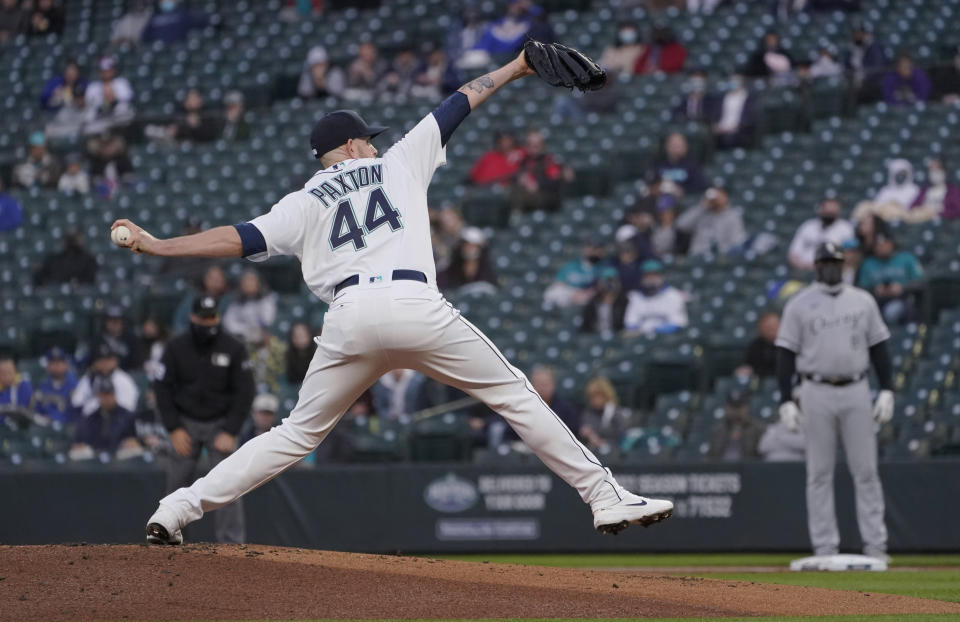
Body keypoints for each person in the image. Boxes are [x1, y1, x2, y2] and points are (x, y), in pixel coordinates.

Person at [114, 50, 673, 544]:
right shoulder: (397, 161)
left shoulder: (303, 200)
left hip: (349, 319)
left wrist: (160, 245)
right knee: (515, 395)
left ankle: (178, 507)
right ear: (356, 144)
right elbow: (461, 101)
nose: (374, 142)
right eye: (369, 137)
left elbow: (235, 239)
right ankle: (604, 497)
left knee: (292, 434)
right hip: (413, 305)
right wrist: (519, 66)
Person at [776, 241, 894, 561]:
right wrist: (786, 398)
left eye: (835, 261)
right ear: (816, 266)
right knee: (819, 473)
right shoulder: (799, 304)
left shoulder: (862, 300)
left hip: (857, 387)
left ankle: (876, 547)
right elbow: (785, 354)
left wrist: (887, 389)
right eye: (825, 261)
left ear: (844, 264)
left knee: (866, 470)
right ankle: (825, 547)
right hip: (816, 389)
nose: (830, 267)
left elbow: (879, 349)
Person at [153, 295, 254, 543]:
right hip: (185, 423)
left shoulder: (234, 347)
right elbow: (161, 387)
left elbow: (246, 391)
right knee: (177, 484)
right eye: (203, 317)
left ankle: (231, 545)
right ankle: (172, 538)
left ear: (218, 317)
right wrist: (174, 428)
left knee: (229, 485)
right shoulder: (176, 347)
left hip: (221, 423)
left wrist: (231, 430)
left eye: (212, 317)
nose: (208, 322)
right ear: (192, 317)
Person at [857, 233, 923, 325]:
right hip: (876, 302)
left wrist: (902, 288)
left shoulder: (906, 258)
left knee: (893, 311)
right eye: (879, 244)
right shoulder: (868, 263)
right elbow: (861, 288)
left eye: (885, 243)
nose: (882, 247)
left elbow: (921, 282)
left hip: (903, 300)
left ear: (892, 244)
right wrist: (875, 290)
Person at [70, 377, 140, 461]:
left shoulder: (127, 416)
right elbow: (80, 440)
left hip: (121, 459)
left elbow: (136, 439)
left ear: (114, 395)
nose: (107, 398)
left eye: (110, 394)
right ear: (98, 396)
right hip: (94, 458)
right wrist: (81, 445)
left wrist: (134, 442)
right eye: (104, 395)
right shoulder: (90, 417)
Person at [509, 129, 572, 212]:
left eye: (537, 145)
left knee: (516, 195)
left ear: (542, 145)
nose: (533, 148)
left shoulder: (549, 161)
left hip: (546, 198)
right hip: (527, 196)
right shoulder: (523, 160)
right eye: (530, 144)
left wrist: (536, 185)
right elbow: (512, 176)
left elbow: (554, 183)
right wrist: (521, 180)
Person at [71, 343, 139, 417]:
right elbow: (76, 402)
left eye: (108, 360)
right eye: (101, 360)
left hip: (118, 423)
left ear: (115, 361)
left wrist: (94, 404)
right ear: (95, 363)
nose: (105, 363)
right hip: (92, 422)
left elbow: (128, 408)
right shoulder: (88, 378)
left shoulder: (124, 380)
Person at [788, 197, 855, 270]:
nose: (829, 214)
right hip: (805, 270)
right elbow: (793, 254)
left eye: (832, 212)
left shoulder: (846, 228)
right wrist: (803, 266)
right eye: (827, 211)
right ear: (820, 209)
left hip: (832, 272)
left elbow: (850, 255)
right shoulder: (808, 226)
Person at [675, 186, 746, 256]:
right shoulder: (701, 213)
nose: (716, 199)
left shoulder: (733, 215)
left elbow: (738, 240)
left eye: (719, 195)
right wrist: (702, 207)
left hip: (721, 258)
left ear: (725, 197)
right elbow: (680, 225)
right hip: (698, 256)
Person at [623, 260, 688, 336]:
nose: (650, 278)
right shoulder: (635, 297)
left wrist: (651, 330)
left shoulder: (673, 295)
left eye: (654, 274)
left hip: (668, 339)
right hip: (642, 340)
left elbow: (677, 324)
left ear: (661, 276)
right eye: (647, 275)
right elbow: (630, 323)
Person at [543, 238, 607, 309]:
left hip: (591, 304)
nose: (593, 251)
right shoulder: (571, 266)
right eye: (591, 247)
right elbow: (556, 287)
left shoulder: (606, 268)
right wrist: (572, 294)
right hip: (569, 301)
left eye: (597, 248)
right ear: (585, 249)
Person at [578, 377, 634, 456]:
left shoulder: (616, 413)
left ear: (606, 395)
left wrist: (601, 442)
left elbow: (622, 437)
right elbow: (583, 434)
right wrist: (587, 434)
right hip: (592, 454)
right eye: (592, 397)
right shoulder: (588, 413)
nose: (595, 400)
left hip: (614, 454)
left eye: (598, 396)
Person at [851, 159, 920, 223]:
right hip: (883, 218)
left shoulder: (914, 189)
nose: (900, 176)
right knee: (864, 205)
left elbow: (911, 209)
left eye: (902, 173)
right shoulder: (886, 190)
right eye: (898, 173)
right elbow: (877, 206)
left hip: (902, 218)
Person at [222, 270, 277, 346]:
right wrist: (246, 329)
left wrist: (254, 328)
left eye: (251, 281)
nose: (248, 284)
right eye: (245, 282)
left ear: (258, 283)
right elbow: (228, 323)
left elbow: (267, 320)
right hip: (241, 339)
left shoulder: (266, 299)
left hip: (263, 339)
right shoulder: (237, 302)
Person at [706, 389, 763, 461]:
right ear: (727, 408)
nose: (736, 411)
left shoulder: (758, 429)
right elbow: (709, 458)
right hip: (722, 470)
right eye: (732, 407)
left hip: (749, 470)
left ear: (747, 407)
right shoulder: (718, 430)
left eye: (739, 407)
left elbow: (762, 457)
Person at [437, 226, 496, 292]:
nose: (469, 249)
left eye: (473, 246)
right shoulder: (449, 268)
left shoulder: (488, 269)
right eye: (466, 245)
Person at [173, 264, 231, 332]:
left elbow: (227, 325)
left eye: (218, 279)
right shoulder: (192, 296)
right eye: (212, 278)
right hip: (189, 336)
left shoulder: (229, 300)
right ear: (205, 279)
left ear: (224, 281)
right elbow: (179, 321)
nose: (215, 282)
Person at [33, 229, 98, 286]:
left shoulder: (88, 260)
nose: (73, 242)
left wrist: (79, 282)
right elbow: (39, 277)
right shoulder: (54, 259)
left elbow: (91, 280)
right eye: (70, 239)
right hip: (57, 294)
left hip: (80, 295)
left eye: (74, 239)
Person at [30, 347, 77, 424]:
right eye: (53, 363)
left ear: (66, 365)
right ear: (48, 366)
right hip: (45, 429)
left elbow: (74, 413)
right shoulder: (42, 386)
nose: (56, 366)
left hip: (67, 429)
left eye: (59, 362)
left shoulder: (75, 386)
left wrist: (53, 418)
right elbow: (35, 409)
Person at [711, 74, 757, 150]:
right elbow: (715, 115)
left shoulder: (748, 99)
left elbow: (748, 119)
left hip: (739, 130)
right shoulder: (723, 97)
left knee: (730, 138)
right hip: (721, 128)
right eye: (731, 81)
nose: (732, 83)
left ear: (741, 82)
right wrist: (716, 126)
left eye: (735, 81)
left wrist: (734, 127)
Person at [581, 266, 627, 337]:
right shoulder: (593, 303)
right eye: (607, 281)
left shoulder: (624, 302)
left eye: (612, 280)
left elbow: (622, 325)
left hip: (616, 337)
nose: (610, 284)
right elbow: (586, 326)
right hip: (596, 336)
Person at [735, 311, 780, 379]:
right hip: (759, 381)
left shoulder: (788, 344)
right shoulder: (756, 345)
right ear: (761, 328)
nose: (771, 330)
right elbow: (747, 365)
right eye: (768, 327)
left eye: (774, 326)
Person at [96, 305, 141, 372]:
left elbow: (137, 364)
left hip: (126, 376)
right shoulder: (98, 339)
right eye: (111, 320)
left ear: (123, 322)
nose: (114, 323)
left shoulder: (132, 339)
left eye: (117, 320)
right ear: (105, 322)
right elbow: (91, 362)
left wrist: (117, 363)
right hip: (100, 376)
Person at [142, 0, 208, 44]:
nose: (167, 1)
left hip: (178, 47)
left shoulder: (182, 14)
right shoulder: (154, 17)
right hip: (160, 49)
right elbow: (145, 36)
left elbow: (200, 23)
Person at [844, 22, 888, 89]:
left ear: (865, 33)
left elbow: (878, 68)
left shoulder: (874, 47)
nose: (857, 36)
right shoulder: (852, 48)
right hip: (856, 85)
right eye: (855, 33)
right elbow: (847, 67)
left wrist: (863, 80)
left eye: (859, 33)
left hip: (873, 85)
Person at [138, 316, 168, 382]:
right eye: (146, 326)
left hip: (161, 379)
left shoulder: (165, 343)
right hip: (143, 377)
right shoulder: (140, 342)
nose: (148, 329)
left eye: (152, 326)